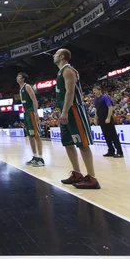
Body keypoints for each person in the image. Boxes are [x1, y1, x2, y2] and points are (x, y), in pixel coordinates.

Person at [54, 49, 100, 189]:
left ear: (62, 56)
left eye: (56, 53)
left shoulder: (68, 70)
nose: (54, 55)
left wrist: (65, 111)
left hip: (73, 110)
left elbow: (70, 92)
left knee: (82, 144)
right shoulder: (60, 72)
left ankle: (92, 178)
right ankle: (77, 173)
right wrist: (60, 110)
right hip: (65, 111)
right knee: (68, 143)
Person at [17, 72, 44, 167]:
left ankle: (41, 159)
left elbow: (34, 99)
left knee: (36, 136)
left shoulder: (27, 86)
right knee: (30, 136)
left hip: (32, 113)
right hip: (26, 114)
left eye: (19, 76)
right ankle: (35, 157)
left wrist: (36, 112)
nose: (17, 78)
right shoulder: (20, 89)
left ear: (23, 78)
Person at [93, 86, 123, 158]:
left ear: (99, 90)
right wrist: (95, 118)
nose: (94, 92)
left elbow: (110, 107)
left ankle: (119, 152)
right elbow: (96, 110)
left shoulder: (104, 97)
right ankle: (111, 150)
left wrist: (108, 117)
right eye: (93, 91)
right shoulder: (95, 99)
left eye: (95, 90)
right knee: (106, 136)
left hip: (107, 119)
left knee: (113, 135)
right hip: (101, 119)